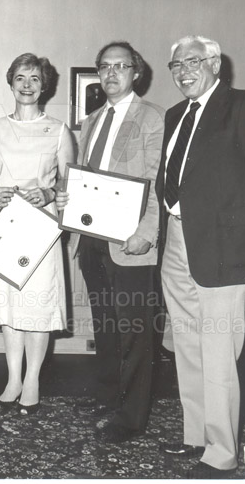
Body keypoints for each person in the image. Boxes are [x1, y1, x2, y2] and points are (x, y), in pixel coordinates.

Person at [156, 36, 245, 478]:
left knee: (217, 347)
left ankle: (223, 452)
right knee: (188, 344)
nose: (183, 71)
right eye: (176, 64)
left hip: (225, 246)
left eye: (193, 61)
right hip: (176, 239)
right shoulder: (176, 114)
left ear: (215, 63)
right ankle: (197, 434)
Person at [56, 42, 164, 440]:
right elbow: (85, 176)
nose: (112, 74)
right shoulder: (94, 119)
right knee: (105, 324)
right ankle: (108, 394)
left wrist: (146, 233)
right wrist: (68, 198)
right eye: (105, 67)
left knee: (136, 330)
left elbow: (157, 183)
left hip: (130, 242)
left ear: (137, 72)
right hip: (93, 240)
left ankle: (132, 416)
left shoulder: (153, 119)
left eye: (121, 66)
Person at [0, 53, 73, 415]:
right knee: (9, 305)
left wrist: (48, 193)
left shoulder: (59, 129)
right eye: (20, 78)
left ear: (44, 84)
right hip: (5, 222)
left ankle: (32, 380)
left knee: (38, 305)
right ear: (11, 83)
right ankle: (13, 378)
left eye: (34, 78)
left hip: (41, 226)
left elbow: (69, 180)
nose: (27, 85)